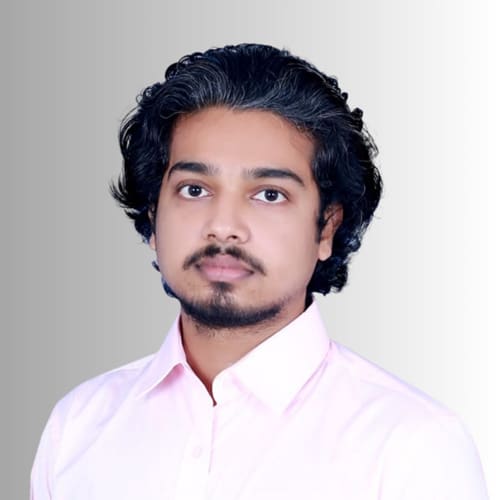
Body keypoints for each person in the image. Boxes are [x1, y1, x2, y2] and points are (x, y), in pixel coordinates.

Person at [31, 43, 488, 499]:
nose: (223, 226)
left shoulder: (411, 447)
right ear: (153, 215)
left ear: (327, 227)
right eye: (194, 189)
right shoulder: (77, 428)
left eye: (269, 194)